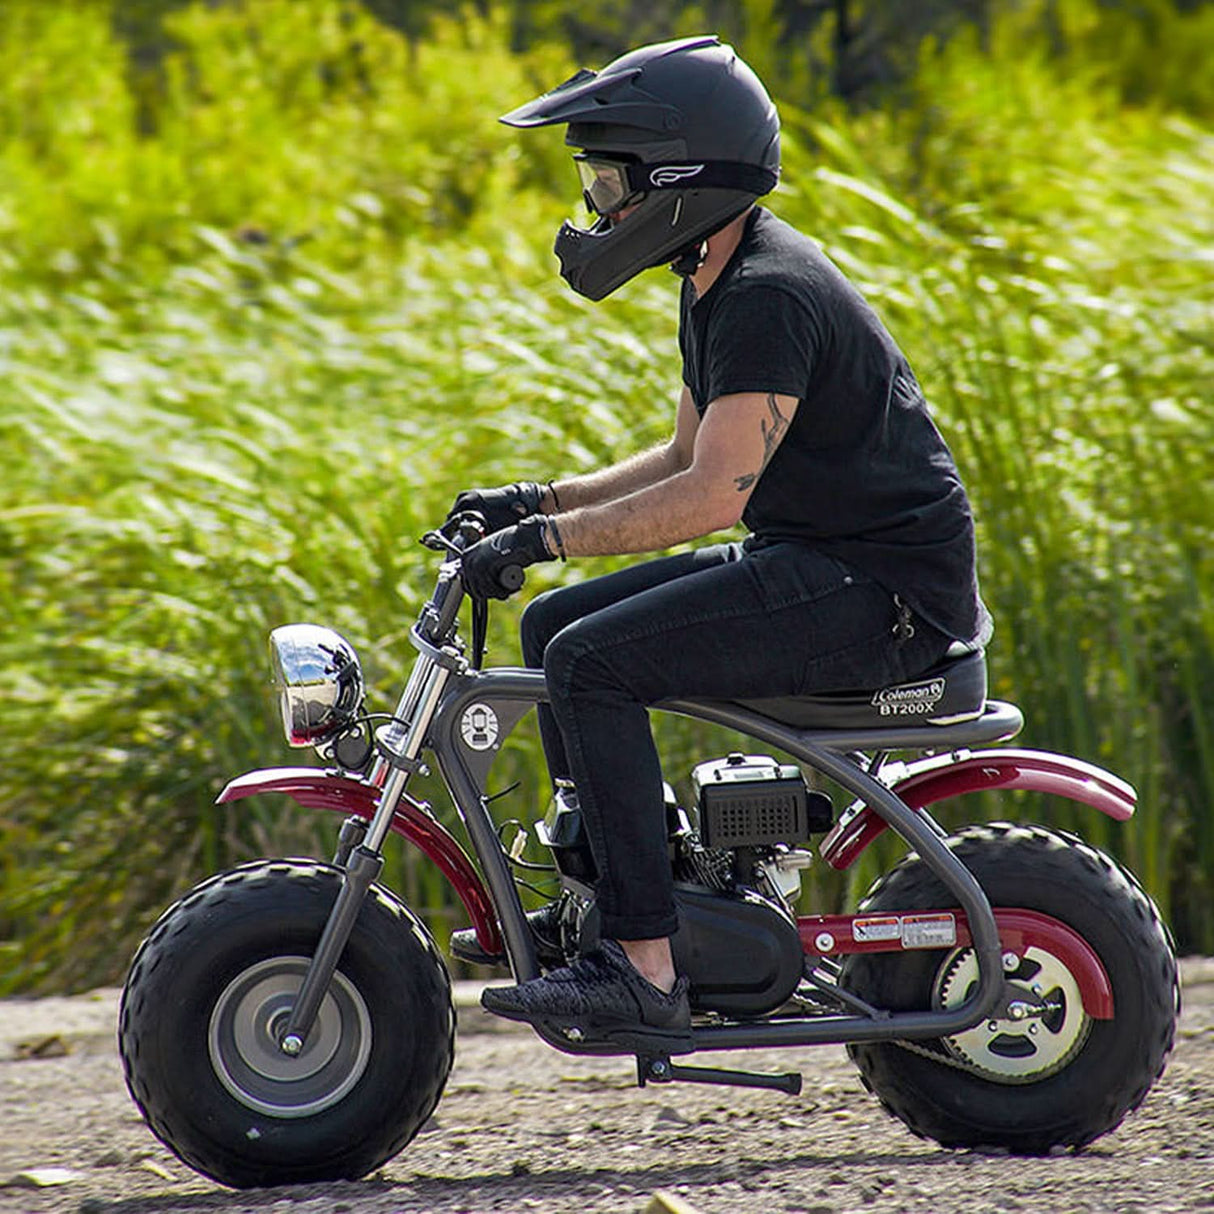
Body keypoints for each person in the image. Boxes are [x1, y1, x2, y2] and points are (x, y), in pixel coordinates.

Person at [448, 35, 991, 1055]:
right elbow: (685, 453)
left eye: (610, 183)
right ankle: (618, 895)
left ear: (679, 180)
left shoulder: (763, 293)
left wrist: (546, 535)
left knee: (590, 662)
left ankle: (644, 966)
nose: (597, 207)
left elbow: (710, 495)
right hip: (819, 560)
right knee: (553, 625)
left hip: (880, 595)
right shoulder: (717, 274)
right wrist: (534, 501)